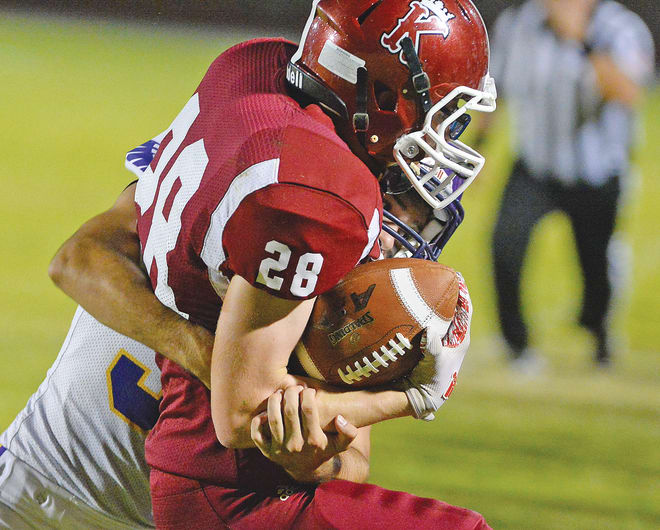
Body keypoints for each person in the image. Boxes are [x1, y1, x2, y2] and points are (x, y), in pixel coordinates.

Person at [126, 0, 495, 527]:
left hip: (191, 423)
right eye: (441, 114)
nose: (448, 137)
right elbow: (242, 413)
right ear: (385, 97)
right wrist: (411, 396)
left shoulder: (253, 66)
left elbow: (345, 463)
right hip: (228, 480)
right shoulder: (316, 198)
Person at [0, 138, 469, 527]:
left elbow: (352, 462)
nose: (399, 240)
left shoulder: (356, 308)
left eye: (421, 222)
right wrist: (214, 361)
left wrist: (310, 461)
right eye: (398, 206)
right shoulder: (256, 188)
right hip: (31, 485)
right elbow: (77, 261)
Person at [484, 0, 654, 367]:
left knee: (596, 270)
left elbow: (628, 94)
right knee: (505, 247)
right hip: (535, 166)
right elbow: (497, 93)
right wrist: (477, 151)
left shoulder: (620, 28)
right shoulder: (519, 24)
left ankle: (599, 332)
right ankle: (518, 346)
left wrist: (583, 40)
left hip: (596, 172)